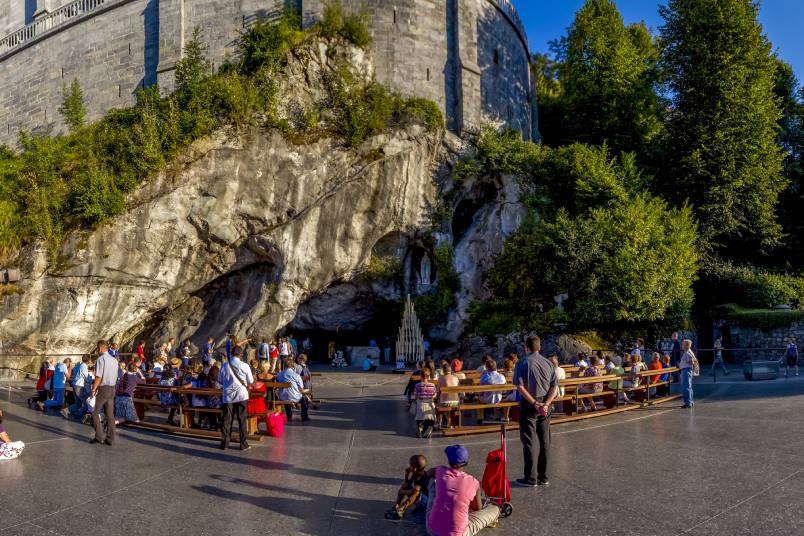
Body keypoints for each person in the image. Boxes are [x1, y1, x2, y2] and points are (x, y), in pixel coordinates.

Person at [513, 336, 557, 487]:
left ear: (526, 347)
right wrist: (546, 403)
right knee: (545, 441)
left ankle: (530, 478)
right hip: (546, 403)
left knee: (529, 441)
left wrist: (534, 403)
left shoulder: (522, 362)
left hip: (530, 403)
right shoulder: (548, 363)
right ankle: (543, 476)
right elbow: (554, 386)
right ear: (539, 347)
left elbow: (519, 386)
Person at [425, 445, 499, 536]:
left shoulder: (440, 471)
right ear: (466, 462)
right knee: (495, 509)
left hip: (432, 529)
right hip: (458, 534)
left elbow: (428, 473)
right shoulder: (473, 482)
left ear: (449, 461)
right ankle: (491, 519)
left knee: (433, 482)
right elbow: (477, 509)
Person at [218, 347, 254, 449]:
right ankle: (243, 444)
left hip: (228, 396)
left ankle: (225, 443)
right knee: (242, 419)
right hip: (242, 395)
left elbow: (220, 379)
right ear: (241, 354)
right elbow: (250, 381)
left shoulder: (225, 365)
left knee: (227, 419)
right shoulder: (245, 365)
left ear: (231, 354)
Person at [90, 341, 119, 446]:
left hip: (104, 388)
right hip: (112, 388)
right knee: (110, 415)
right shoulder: (114, 360)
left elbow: (98, 376)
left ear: (101, 348)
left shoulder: (100, 359)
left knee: (94, 412)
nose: (97, 350)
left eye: (97, 348)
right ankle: (110, 438)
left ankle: (99, 436)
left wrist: (93, 389)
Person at [386, 454, 429, 520]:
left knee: (416, 490)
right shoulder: (416, 473)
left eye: (410, 466)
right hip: (419, 499)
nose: (409, 467)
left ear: (415, 468)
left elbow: (415, 491)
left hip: (427, 502)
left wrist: (402, 491)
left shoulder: (424, 477)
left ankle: (401, 510)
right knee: (405, 486)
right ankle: (396, 506)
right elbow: (407, 484)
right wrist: (406, 475)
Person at [277, 357, 310, 422]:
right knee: (304, 399)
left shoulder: (279, 374)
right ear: (292, 366)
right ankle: (304, 417)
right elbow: (301, 388)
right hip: (294, 397)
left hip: (282, 397)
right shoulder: (296, 375)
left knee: (286, 394)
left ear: (284, 365)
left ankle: (289, 415)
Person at [64, 355, 90, 419]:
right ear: (88, 360)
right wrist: (92, 380)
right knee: (87, 402)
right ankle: (79, 414)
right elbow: (87, 378)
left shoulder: (78, 366)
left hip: (75, 385)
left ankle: (66, 411)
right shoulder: (83, 366)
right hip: (79, 386)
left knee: (78, 403)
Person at [413, 368, 437, 438]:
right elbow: (435, 395)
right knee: (431, 419)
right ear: (428, 376)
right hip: (429, 405)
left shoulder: (417, 385)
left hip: (421, 404)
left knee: (419, 418)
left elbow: (415, 395)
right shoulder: (432, 385)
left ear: (421, 376)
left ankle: (420, 429)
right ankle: (428, 429)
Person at [437, 364, 459, 429]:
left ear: (443, 371)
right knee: (448, 405)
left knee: (439, 403)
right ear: (450, 370)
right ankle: (449, 422)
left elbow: (438, 391)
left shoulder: (441, 378)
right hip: (456, 402)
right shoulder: (456, 378)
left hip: (445, 402)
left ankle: (439, 423)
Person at [679, 339, 698, 409]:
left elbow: (691, 361)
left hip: (686, 370)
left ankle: (688, 403)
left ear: (686, 345)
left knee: (686, 387)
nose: (682, 346)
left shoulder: (687, 353)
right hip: (688, 370)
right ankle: (690, 401)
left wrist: (685, 362)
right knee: (689, 387)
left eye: (683, 344)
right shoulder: (689, 352)